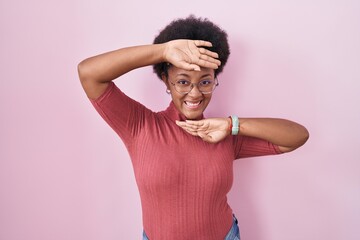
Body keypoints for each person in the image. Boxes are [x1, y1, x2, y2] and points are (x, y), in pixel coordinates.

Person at [78, 15, 309, 240]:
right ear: (167, 81)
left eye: (205, 81)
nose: (195, 93)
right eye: (183, 81)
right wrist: (164, 51)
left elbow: (297, 137)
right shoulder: (140, 126)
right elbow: (89, 73)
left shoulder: (225, 134)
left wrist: (232, 125)